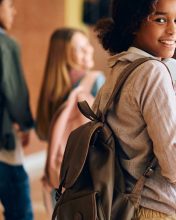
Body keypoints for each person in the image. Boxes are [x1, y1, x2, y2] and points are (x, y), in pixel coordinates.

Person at [93, 0, 176, 219]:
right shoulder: (153, 72)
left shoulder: (118, 69)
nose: (173, 30)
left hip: (120, 206)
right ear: (134, 23)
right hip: (156, 209)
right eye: (160, 19)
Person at [35, 27, 105, 214]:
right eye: (81, 48)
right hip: (85, 177)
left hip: (57, 177)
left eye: (88, 45)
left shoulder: (50, 91)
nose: (90, 50)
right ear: (65, 55)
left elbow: (42, 132)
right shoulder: (95, 81)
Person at [0, 0, 35, 219]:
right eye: (9, 5)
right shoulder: (5, 45)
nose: (13, 11)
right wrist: (25, 124)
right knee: (20, 212)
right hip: (3, 145)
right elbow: (14, 92)